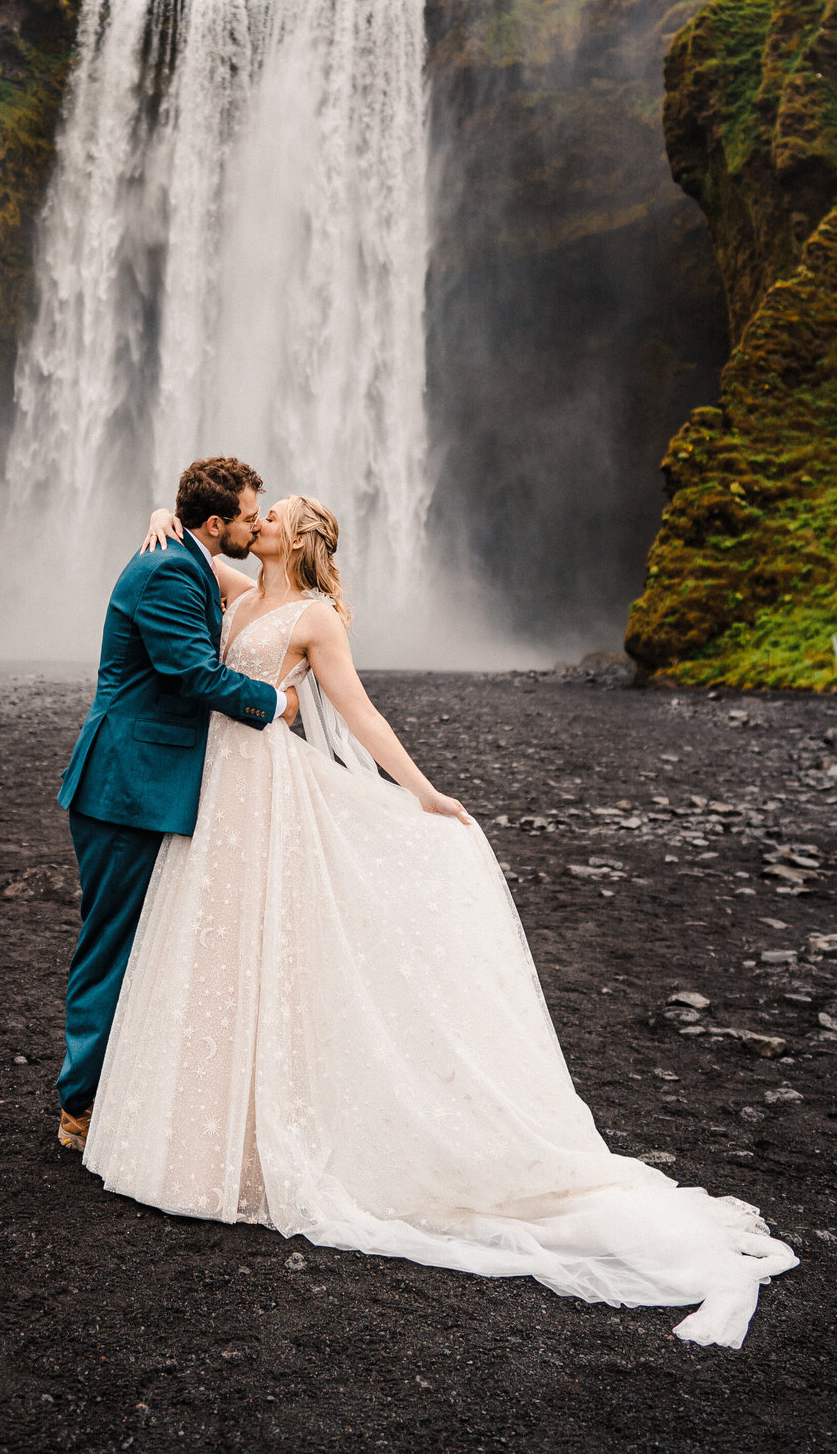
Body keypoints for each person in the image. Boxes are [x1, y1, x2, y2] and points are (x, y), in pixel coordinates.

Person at [79, 493, 797, 1349]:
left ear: (300, 537)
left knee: (273, 948)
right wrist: (163, 510)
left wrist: (420, 790)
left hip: (268, 790)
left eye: (276, 511)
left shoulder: (314, 618)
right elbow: (196, 558)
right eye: (257, 509)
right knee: (216, 946)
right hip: (221, 791)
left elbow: (359, 713)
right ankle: (209, 1135)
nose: (260, 516)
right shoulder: (240, 594)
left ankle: (263, 1140)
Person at [53, 456, 299, 1153]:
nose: (258, 524)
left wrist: (161, 516)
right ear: (216, 521)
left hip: (146, 783)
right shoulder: (169, 570)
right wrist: (274, 702)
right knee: (112, 947)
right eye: (251, 517)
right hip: (126, 786)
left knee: (140, 942)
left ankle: (112, 1096)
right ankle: (80, 1111)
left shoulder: (185, 554)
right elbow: (191, 672)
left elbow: (265, 597)